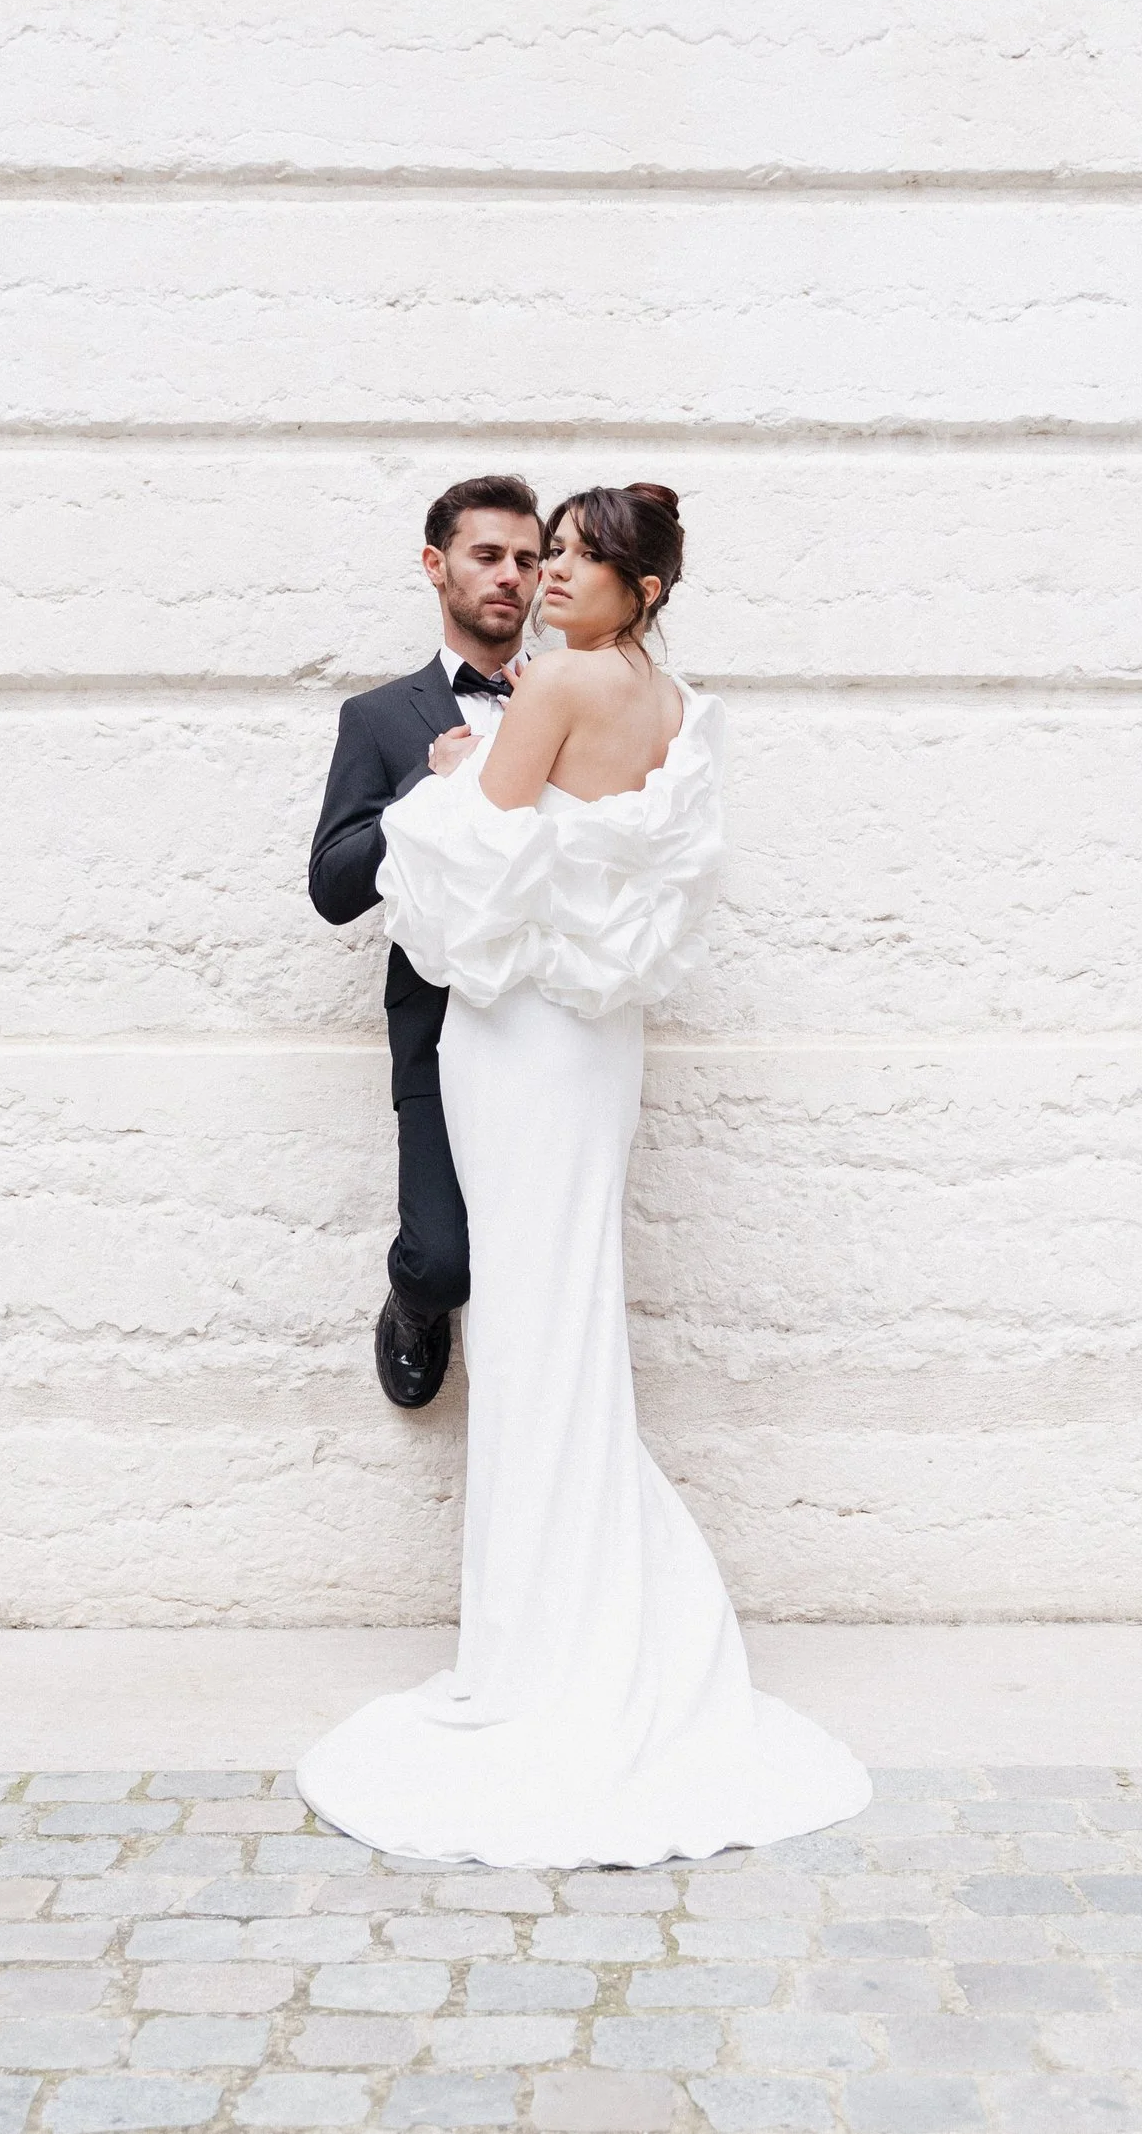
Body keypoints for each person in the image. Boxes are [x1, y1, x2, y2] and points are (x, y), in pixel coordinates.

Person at [298, 483, 871, 1869]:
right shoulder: (677, 713)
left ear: (646, 586)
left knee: (538, 1330)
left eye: (575, 560)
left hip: (522, 1037)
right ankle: (593, 1617)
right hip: (597, 1041)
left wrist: (442, 785)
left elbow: (473, 873)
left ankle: (542, 1655)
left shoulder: (553, 684)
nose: (549, 578)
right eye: (542, 556)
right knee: (565, 1320)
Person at [309, 477, 545, 1408]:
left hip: (551, 1019)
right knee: (447, 1258)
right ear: (435, 564)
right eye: (488, 555)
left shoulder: (570, 701)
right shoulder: (378, 719)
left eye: (528, 559)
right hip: (440, 1024)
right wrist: (428, 794)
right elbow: (332, 886)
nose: (512, 577)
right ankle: (414, 1301)